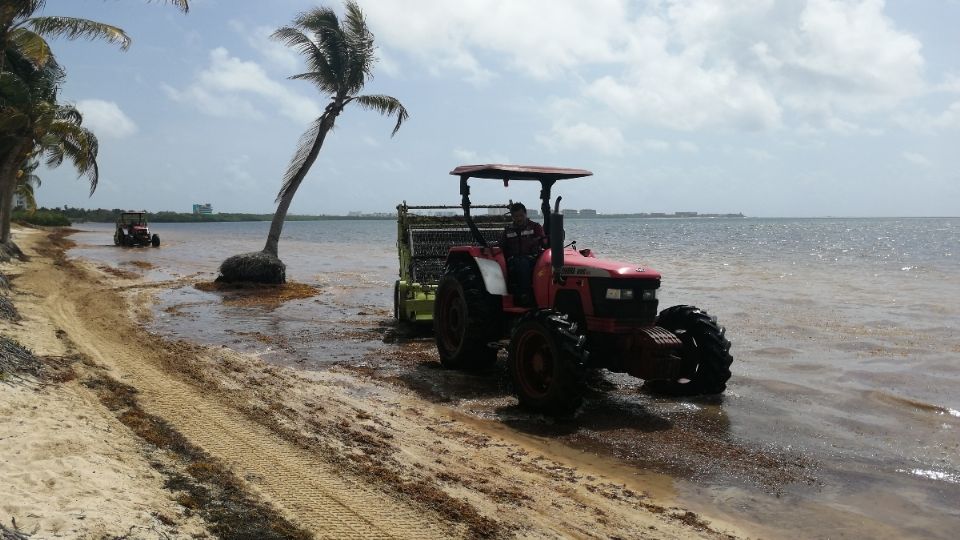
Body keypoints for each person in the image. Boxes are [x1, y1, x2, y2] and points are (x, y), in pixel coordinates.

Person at [499, 202, 545, 305]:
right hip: (513, 259)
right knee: (519, 262)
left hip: (532, 258)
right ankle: (524, 295)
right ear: (512, 217)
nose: (519, 218)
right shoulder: (508, 230)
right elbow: (501, 246)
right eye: (516, 216)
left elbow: (544, 242)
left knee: (524, 262)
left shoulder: (535, 227)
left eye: (521, 215)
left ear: (526, 214)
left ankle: (528, 294)